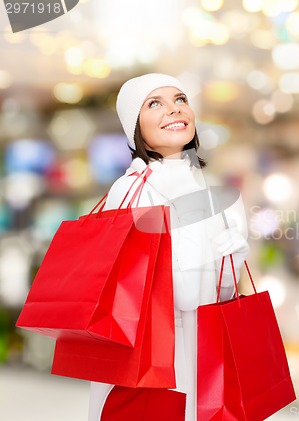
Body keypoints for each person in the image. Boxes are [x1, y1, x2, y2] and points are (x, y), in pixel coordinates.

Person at [88, 73, 249, 421]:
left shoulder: (207, 187)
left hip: (198, 357)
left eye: (180, 100)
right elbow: (181, 294)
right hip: (151, 367)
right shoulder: (130, 190)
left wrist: (232, 258)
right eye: (154, 103)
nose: (174, 110)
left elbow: (217, 294)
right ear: (135, 125)